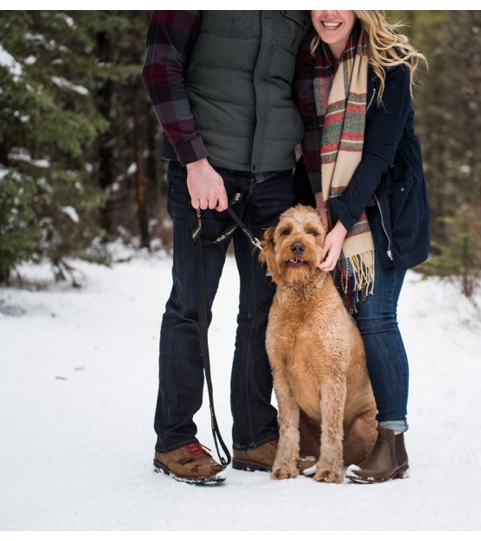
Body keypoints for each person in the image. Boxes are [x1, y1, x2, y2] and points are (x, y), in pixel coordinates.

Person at [142, 10, 309, 484]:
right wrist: (194, 161)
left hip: (275, 178)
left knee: (263, 311)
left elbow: (301, 87)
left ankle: (255, 436)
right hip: (205, 172)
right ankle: (174, 439)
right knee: (190, 308)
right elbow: (159, 68)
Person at [295, 10, 430, 483]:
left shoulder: (388, 63)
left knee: (376, 320)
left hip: (383, 220)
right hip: (330, 216)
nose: (330, 12)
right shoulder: (309, 63)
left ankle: (393, 444)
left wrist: (338, 224)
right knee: (344, 326)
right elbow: (306, 148)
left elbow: (377, 155)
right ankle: (341, 433)